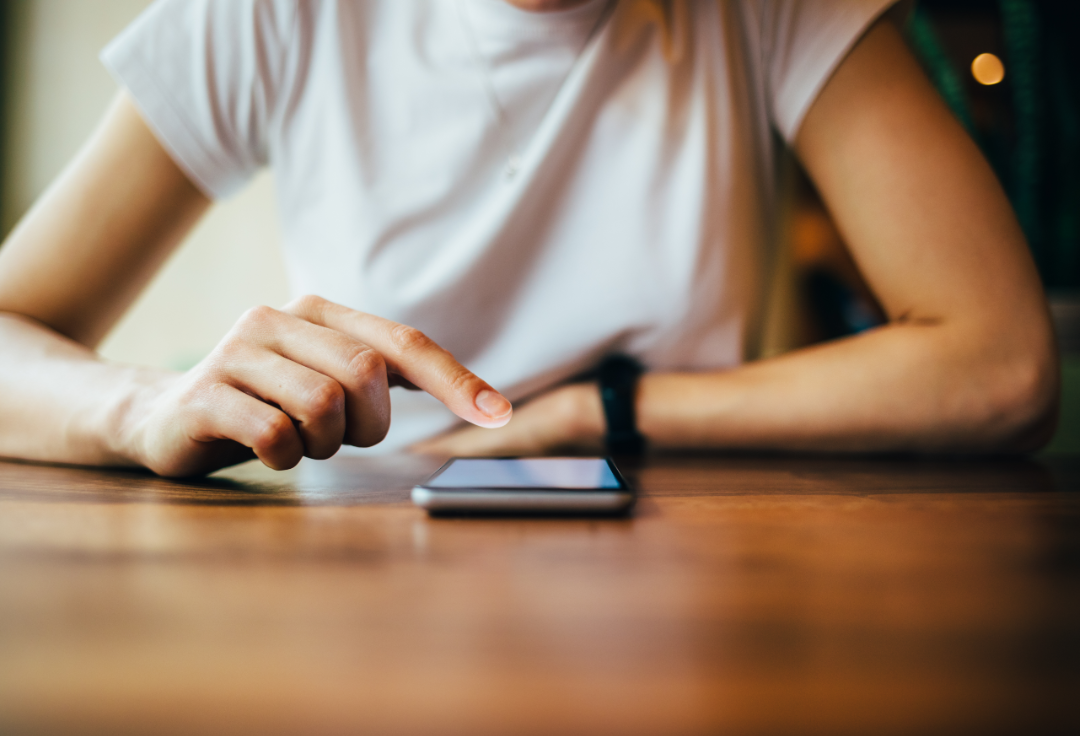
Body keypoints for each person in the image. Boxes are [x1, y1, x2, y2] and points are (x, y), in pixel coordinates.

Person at [0, 0, 1059, 477]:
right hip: (360, 566)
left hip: (691, 543)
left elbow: (1003, 362)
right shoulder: (269, 15)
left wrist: (591, 413)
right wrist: (139, 408)